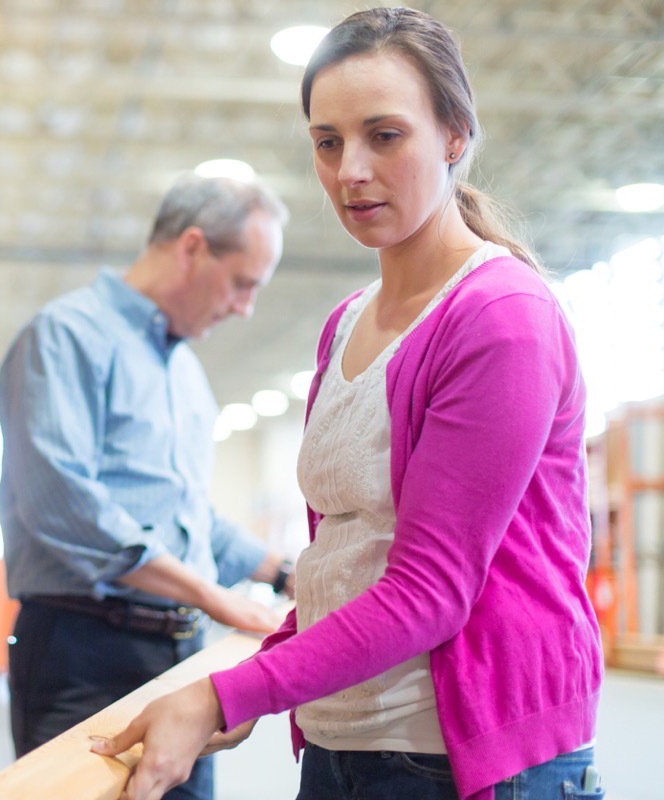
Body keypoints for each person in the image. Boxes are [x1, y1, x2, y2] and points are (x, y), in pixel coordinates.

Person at [92, 8, 604, 800]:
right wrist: (266, 674)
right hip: (343, 746)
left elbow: (430, 590)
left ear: (455, 136)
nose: (350, 171)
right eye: (328, 142)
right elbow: (346, 563)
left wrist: (226, 694)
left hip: (463, 763)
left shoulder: (500, 317)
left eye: (384, 136)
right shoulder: (345, 325)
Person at [0, 171, 293, 800]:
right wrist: (212, 595)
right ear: (191, 248)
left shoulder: (186, 375)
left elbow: (187, 515)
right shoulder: (65, 339)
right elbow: (62, 505)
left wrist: (285, 575)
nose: (245, 308)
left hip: (179, 660)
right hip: (83, 652)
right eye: (242, 283)